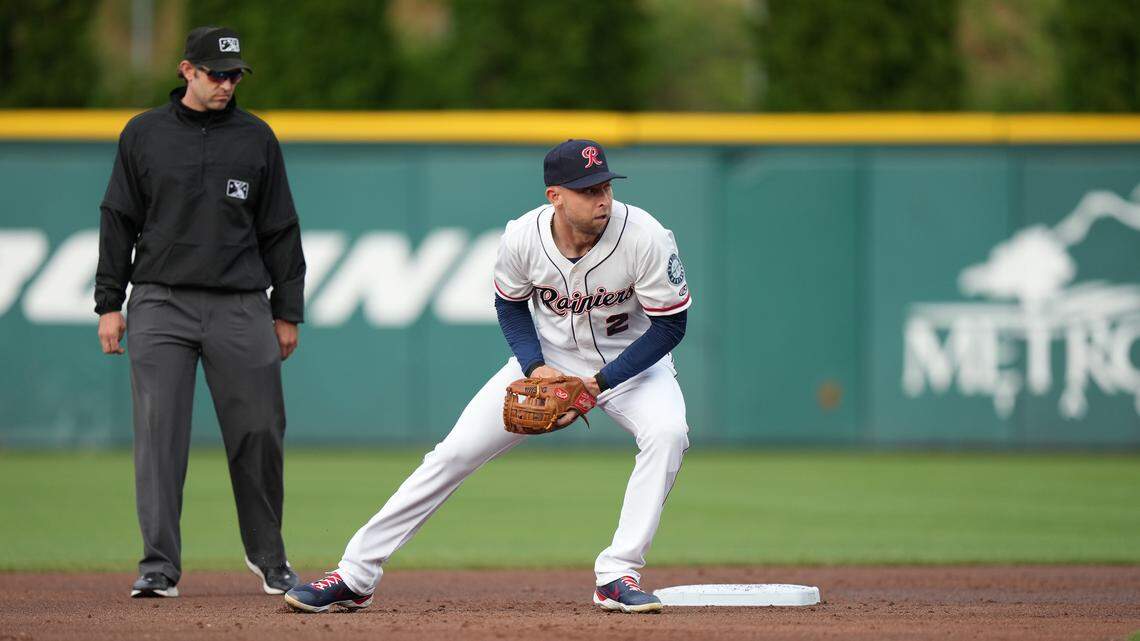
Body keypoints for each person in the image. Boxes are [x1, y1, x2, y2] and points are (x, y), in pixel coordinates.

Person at [285, 139, 691, 614]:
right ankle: (355, 575)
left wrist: (600, 383)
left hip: (633, 365)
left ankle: (617, 574)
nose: (601, 198)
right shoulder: (523, 237)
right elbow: (510, 304)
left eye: (604, 186)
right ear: (554, 196)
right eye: (586, 190)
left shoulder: (645, 236)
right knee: (451, 454)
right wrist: (534, 366)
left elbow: (670, 325)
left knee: (668, 433)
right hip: (552, 360)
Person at [95, 26, 305, 598]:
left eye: (234, 75)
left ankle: (269, 556)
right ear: (187, 71)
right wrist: (109, 303)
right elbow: (118, 218)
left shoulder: (256, 138)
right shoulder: (143, 134)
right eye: (216, 73)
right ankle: (159, 565)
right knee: (160, 433)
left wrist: (287, 310)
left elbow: (281, 229)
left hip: (240, 304)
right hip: (161, 301)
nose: (227, 84)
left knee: (260, 429)